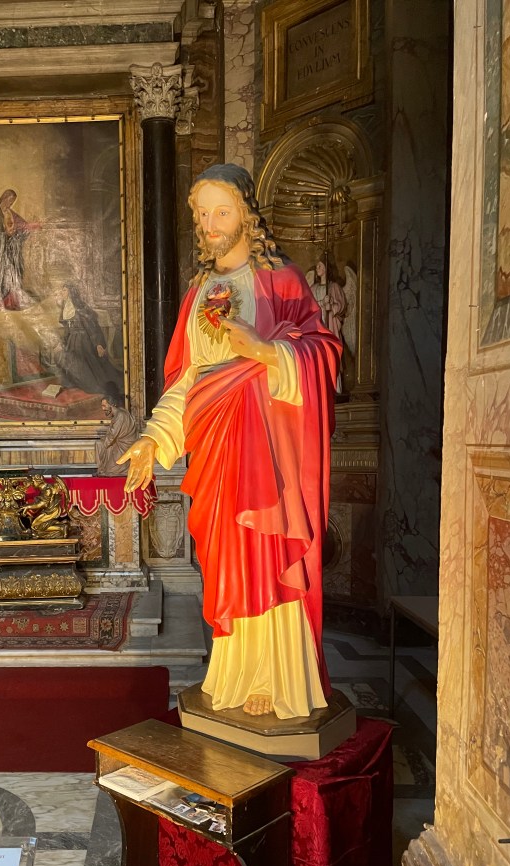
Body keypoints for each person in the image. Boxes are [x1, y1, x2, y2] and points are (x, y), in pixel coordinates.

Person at [119, 164, 341, 720]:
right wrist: (152, 439)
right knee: (227, 562)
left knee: (266, 551)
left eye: (222, 211)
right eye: (202, 214)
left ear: (246, 212)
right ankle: (235, 671)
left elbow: (324, 353)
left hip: (269, 451)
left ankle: (275, 675)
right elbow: (186, 381)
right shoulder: (199, 293)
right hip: (218, 450)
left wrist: (264, 352)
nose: (211, 223)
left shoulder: (282, 281)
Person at [55, 283, 123, 396]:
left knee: (83, 364)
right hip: (72, 341)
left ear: (71, 292)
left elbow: (92, 327)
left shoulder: (80, 308)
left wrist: (98, 344)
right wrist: (61, 343)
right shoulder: (65, 308)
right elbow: (67, 330)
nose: (62, 293)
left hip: (84, 341)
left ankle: (91, 384)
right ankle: (75, 382)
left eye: (64, 290)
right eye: (62, 290)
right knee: (63, 356)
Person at [0, 189, 35, 311]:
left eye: (13, 202)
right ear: (4, 198)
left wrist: (25, 230)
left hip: (11, 251)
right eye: (10, 201)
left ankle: (10, 303)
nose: (11, 204)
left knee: (13, 275)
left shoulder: (10, 212)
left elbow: (23, 226)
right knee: (2, 277)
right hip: (0, 253)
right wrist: (4, 235)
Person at [94, 385, 138, 476]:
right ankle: (102, 468)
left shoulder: (120, 415)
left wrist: (104, 446)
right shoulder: (118, 413)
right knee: (99, 444)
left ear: (112, 405)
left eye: (104, 406)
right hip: (118, 443)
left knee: (111, 470)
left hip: (124, 446)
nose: (103, 408)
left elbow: (112, 435)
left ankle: (105, 469)